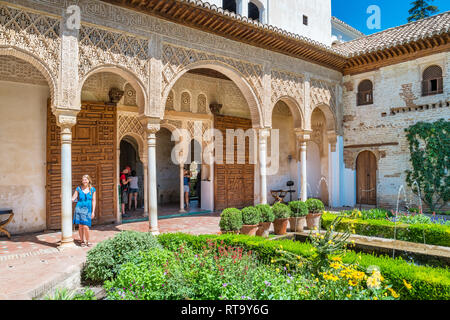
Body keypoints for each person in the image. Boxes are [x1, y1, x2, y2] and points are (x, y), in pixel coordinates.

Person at [72, 175, 96, 247]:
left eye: (86, 180)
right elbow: (73, 198)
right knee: (80, 226)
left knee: (86, 226)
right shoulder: (78, 189)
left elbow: (94, 201)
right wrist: (65, 197)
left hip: (88, 209)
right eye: (83, 180)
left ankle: (88, 241)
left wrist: (93, 211)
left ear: (89, 180)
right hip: (79, 208)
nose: (84, 181)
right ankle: (82, 241)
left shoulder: (92, 189)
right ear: (82, 181)